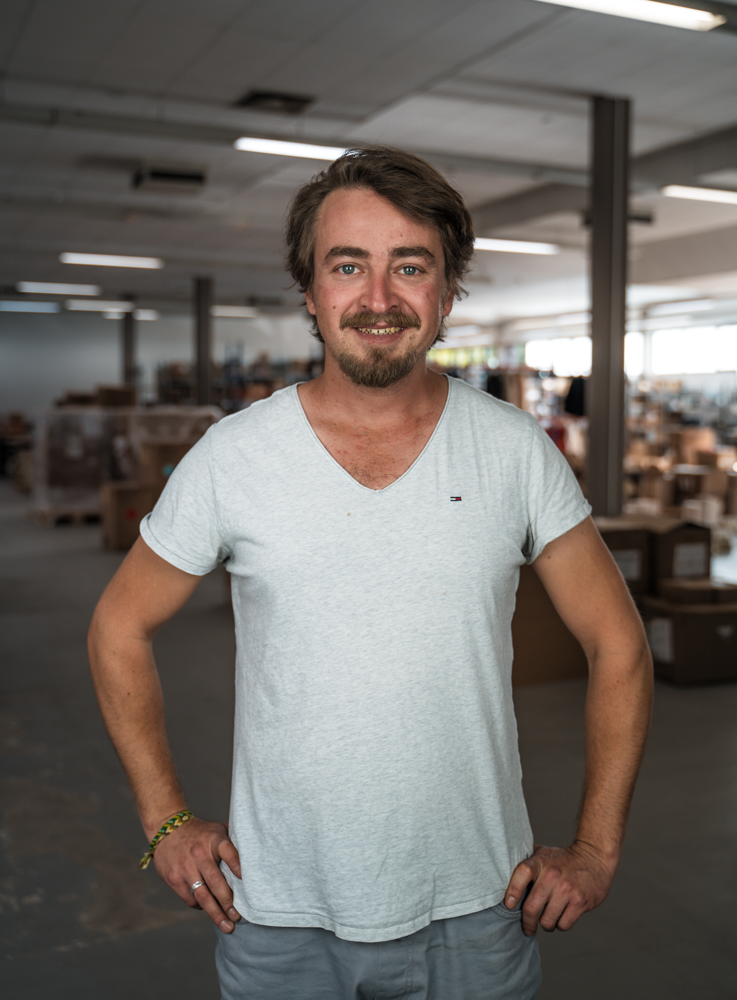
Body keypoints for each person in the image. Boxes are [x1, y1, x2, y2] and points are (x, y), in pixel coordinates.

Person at [88, 146, 653, 1000]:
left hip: (477, 911)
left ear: (448, 291)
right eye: (347, 265)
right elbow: (117, 627)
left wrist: (596, 847)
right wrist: (164, 819)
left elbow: (619, 646)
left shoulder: (513, 453)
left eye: (410, 266)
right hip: (278, 915)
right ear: (310, 290)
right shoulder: (233, 458)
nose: (378, 299)